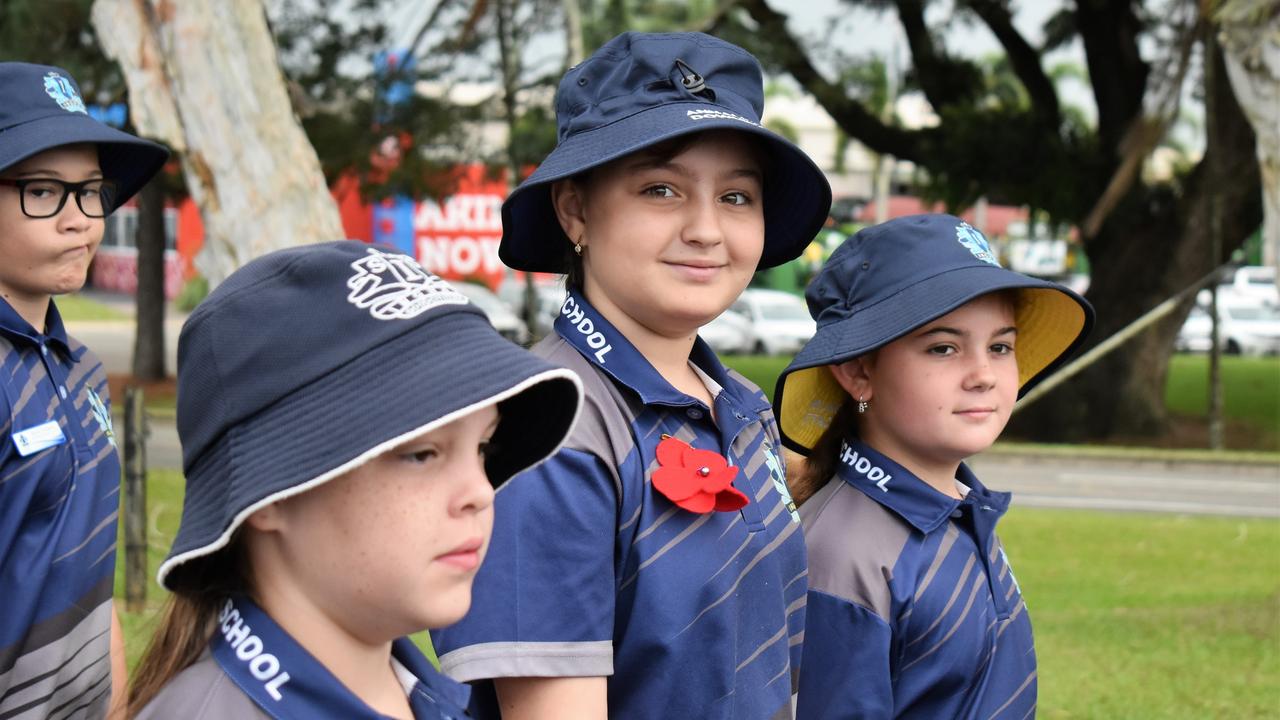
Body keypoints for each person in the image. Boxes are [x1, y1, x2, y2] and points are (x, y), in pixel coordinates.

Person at [432, 31, 832, 720]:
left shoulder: (740, 404)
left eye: (737, 197)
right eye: (662, 188)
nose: (707, 230)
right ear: (575, 210)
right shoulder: (546, 432)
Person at [127, 241, 583, 719]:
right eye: (421, 453)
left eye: (483, 448)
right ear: (266, 494)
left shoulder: (415, 691)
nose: (480, 493)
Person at [772, 214, 1095, 719]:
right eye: (944, 348)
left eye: (1001, 347)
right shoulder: (845, 555)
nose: (984, 375)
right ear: (859, 371)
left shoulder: (960, 506)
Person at [0, 62, 168, 719]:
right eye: (44, 191)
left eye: (92, 192)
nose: (80, 221)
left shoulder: (83, 369)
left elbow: (90, 578)